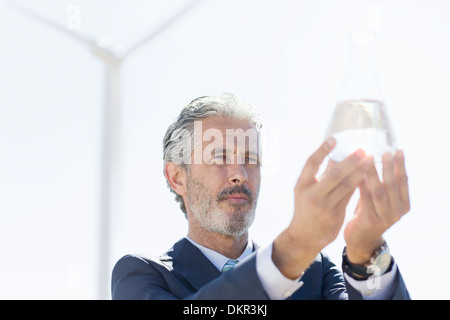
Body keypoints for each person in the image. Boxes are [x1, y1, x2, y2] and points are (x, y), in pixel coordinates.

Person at [111, 93, 410, 300]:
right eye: (220, 157)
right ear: (177, 177)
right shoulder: (143, 275)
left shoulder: (316, 272)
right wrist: (294, 248)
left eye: (251, 159)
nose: (239, 173)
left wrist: (366, 252)